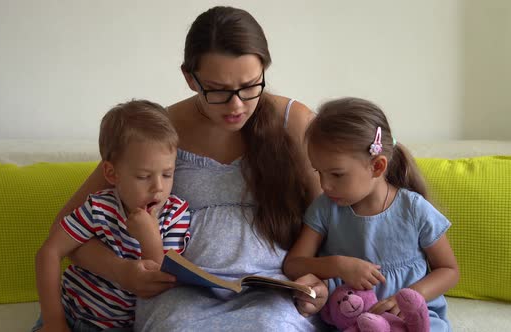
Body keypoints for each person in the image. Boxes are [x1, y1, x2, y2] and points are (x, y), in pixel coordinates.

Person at [54, 6, 329, 332]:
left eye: (250, 86)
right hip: (179, 290)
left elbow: (330, 220)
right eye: (218, 90)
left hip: (273, 291)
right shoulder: (159, 131)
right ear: (189, 78)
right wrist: (121, 272)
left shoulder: (293, 123)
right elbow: (67, 232)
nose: (236, 106)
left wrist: (319, 278)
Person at [283, 97, 460, 331]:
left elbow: (449, 270)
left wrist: (407, 297)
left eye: (336, 174)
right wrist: (338, 265)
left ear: (377, 166)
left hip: (411, 319)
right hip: (348, 320)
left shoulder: (414, 209)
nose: (324, 185)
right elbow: (293, 265)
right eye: (319, 172)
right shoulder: (325, 209)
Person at [34, 100, 191, 331]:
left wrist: (150, 239)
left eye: (167, 174)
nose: (158, 187)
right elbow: (49, 252)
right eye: (143, 176)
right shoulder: (99, 207)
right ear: (111, 173)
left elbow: (160, 283)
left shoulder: (175, 215)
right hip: (70, 314)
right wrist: (53, 321)